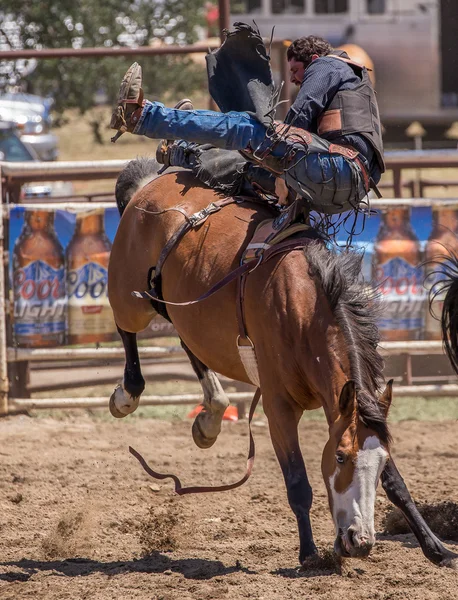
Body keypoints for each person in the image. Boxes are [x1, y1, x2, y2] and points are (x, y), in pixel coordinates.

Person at [110, 30, 385, 215]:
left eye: (296, 71)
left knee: (245, 128)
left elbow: (301, 114)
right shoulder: (357, 86)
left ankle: (141, 116)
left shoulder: (327, 64)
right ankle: (180, 152)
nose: (293, 79)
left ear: (312, 59)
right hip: (346, 189)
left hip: (337, 169)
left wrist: (277, 161)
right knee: (245, 168)